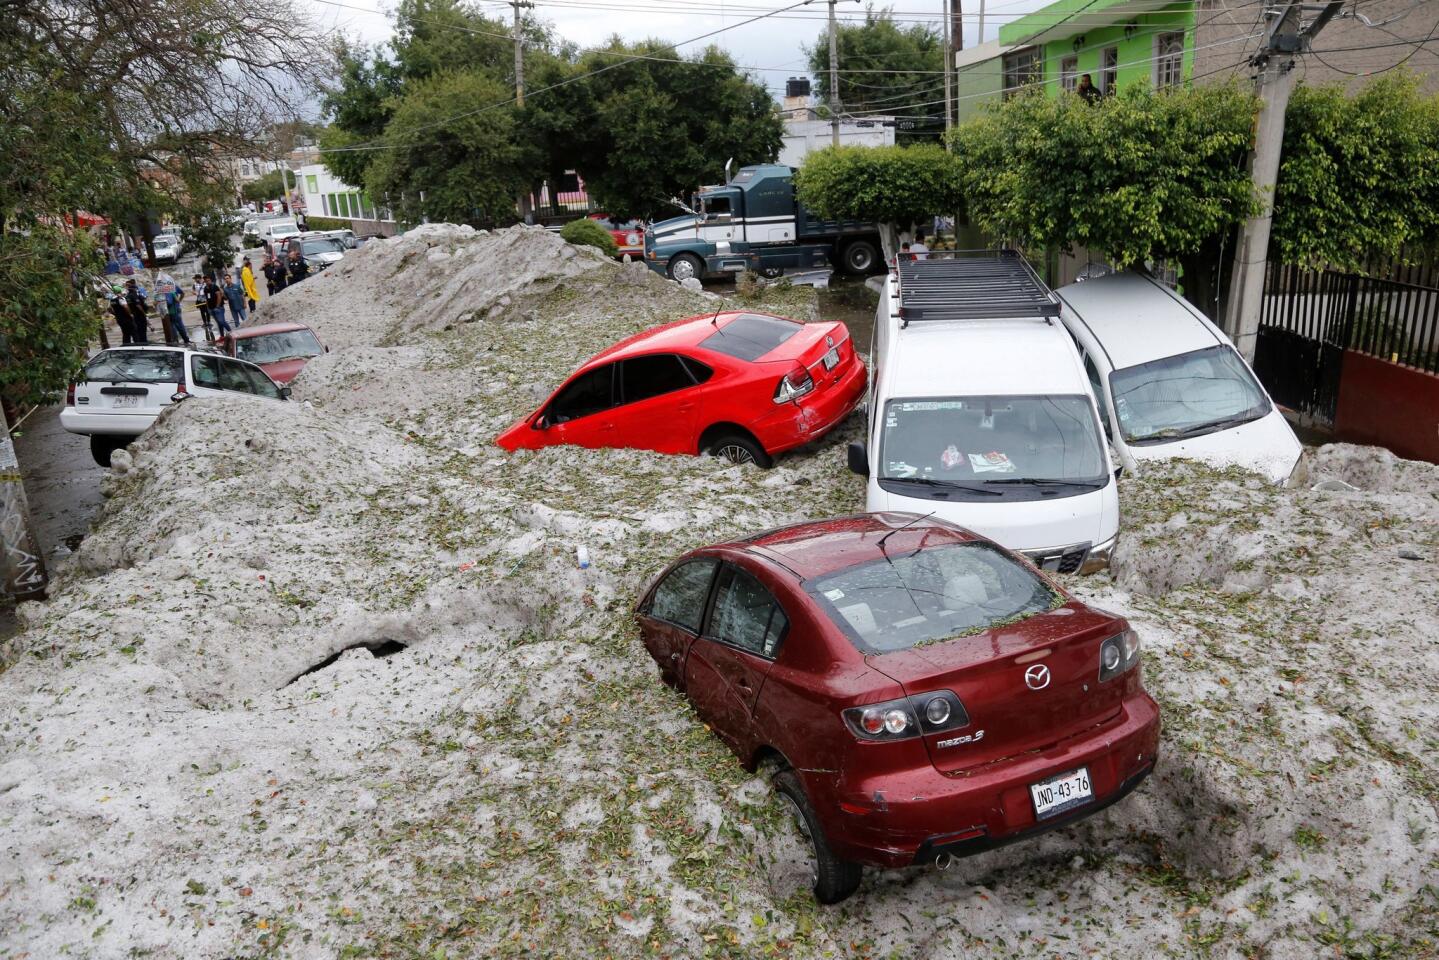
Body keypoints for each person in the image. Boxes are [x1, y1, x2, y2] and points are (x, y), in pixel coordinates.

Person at [205, 272, 232, 337]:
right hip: (211, 309)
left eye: (208, 280)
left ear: (211, 280)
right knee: (219, 323)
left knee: (222, 321)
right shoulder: (205, 288)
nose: (207, 282)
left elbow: (219, 296)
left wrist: (217, 306)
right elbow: (206, 299)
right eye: (206, 281)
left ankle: (231, 333)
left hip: (218, 308)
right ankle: (222, 336)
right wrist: (208, 308)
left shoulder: (215, 287)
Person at [124, 279, 150, 344]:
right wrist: (144, 314)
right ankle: (144, 343)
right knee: (142, 331)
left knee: (137, 331)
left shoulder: (127, 297)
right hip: (139, 316)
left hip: (134, 316)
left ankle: (140, 343)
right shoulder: (134, 295)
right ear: (134, 289)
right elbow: (138, 305)